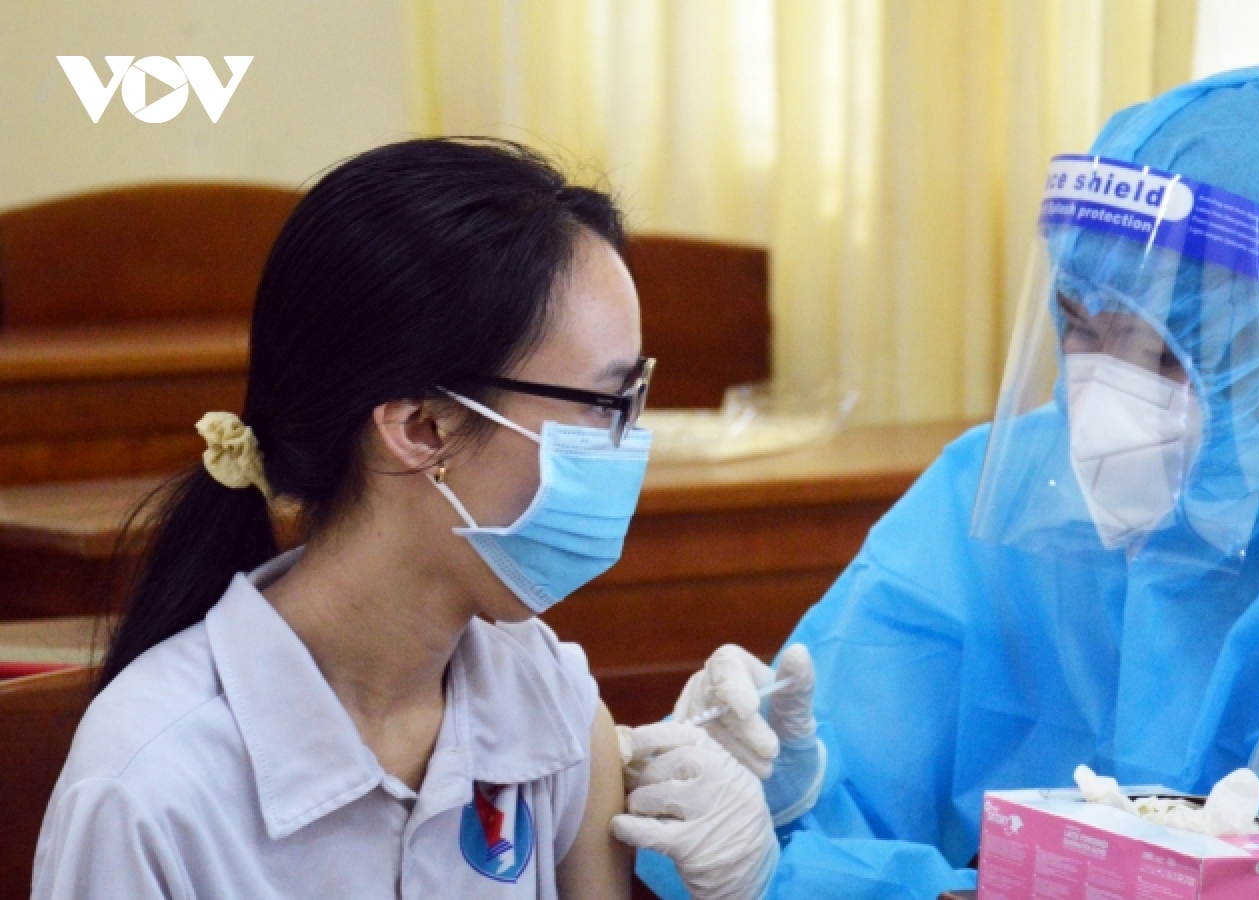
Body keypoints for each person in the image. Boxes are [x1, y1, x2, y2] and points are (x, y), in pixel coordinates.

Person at [640, 67, 1259, 898]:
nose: (1108, 397)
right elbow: (832, 788)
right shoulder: (990, 489)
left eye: (1169, 349)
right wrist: (779, 798)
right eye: (1081, 326)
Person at [32, 138, 773, 900]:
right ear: (421, 428)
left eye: (633, 398)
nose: (627, 445)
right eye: (605, 403)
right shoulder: (148, 787)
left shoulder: (550, 700)